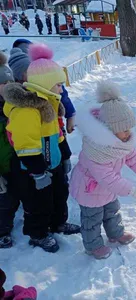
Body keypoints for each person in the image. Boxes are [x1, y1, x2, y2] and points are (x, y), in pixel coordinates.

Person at [70, 82, 136, 259]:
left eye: (129, 129)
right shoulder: (96, 150)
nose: (128, 133)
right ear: (110, 129)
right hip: (89, 189)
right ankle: (93, 246)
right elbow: (107, 178)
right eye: (124, 130)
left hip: (107, 190)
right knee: (92, 219)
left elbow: (132, 157)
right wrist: (131, 190)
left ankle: (115, 234)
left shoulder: (120, 144)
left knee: (112, 211)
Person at [2, 43, 80, 253]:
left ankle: (57, 223)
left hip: (51, 164)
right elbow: (25, 145)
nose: (62, 89)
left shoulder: (50, 103)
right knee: (38, 203)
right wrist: (37, 172)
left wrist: (64, 155)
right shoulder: (27, 111)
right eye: (58, 85)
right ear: (44, 84)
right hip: (33, 170)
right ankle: (37, 233)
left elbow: (57, 133)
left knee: (59, 194)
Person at [0, 52, 18, 249]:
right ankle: (2, 231)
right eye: (5, 84)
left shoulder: (13, 105)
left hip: (14, 159)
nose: (9, 87)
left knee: (14, 195)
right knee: (4, 201)